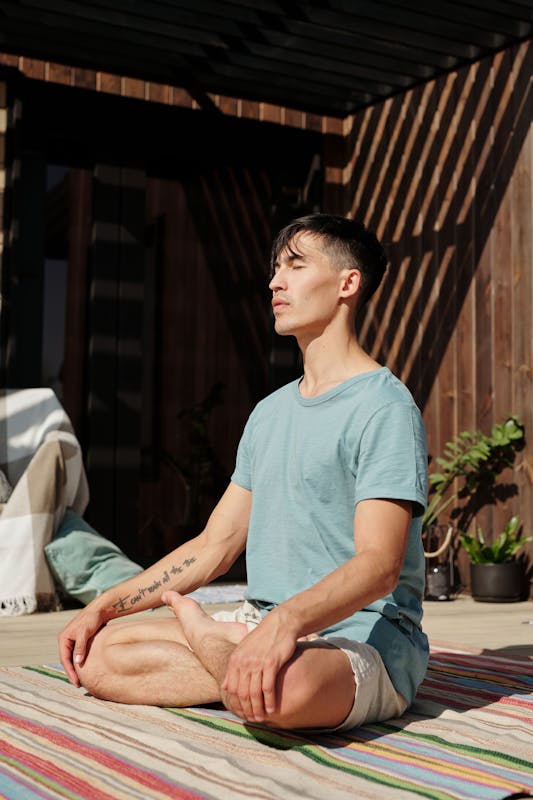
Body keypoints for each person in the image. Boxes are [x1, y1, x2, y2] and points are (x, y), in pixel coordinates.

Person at [59, 213, 428, 732]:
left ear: (349, 283)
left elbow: (379, 566)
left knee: (284, 692)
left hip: (359, 638)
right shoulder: (270, 413)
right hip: (260, 623)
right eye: (275, 268)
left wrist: (286, 624)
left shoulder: (385, 408)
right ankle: (233, 662)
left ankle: (215, 644)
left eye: (295, 266)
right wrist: (104, 605)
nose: (275, 282)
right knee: (96, 654)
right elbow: (215, 545)